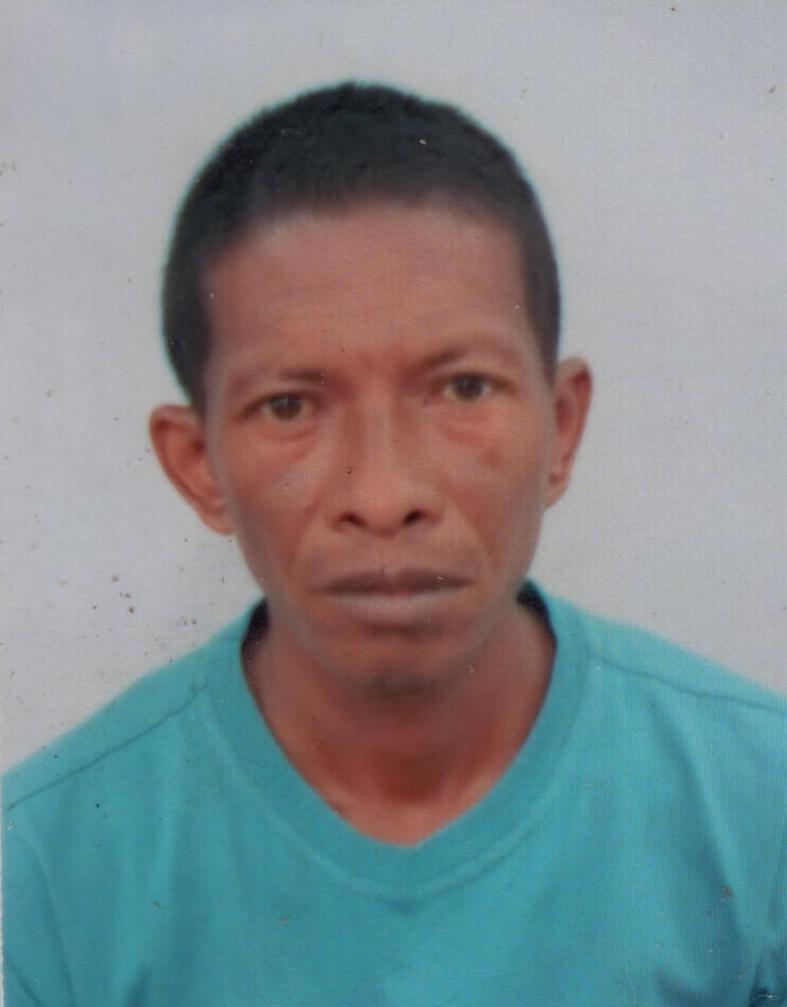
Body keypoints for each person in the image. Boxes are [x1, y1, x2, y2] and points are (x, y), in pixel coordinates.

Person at [3, 82, 785, 1006]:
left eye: (462, 389)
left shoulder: (760, 805)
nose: (383, 496)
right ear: (198, 464)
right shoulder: (42, 871)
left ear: (561, 427)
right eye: (288, 406)